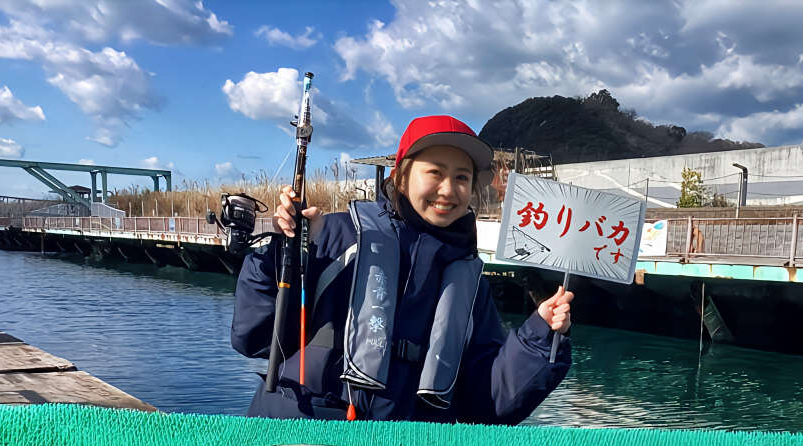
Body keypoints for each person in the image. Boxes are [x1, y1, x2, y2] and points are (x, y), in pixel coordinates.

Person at [231, 114, 573, 424]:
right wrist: (282, 253)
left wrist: (539, 338)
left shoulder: (470, 284)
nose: (449, 189)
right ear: (401, 176)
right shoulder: (333, 234)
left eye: (462, 177)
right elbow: (255, 338)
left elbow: (487, 406)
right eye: (435, 172)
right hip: (300, 440)